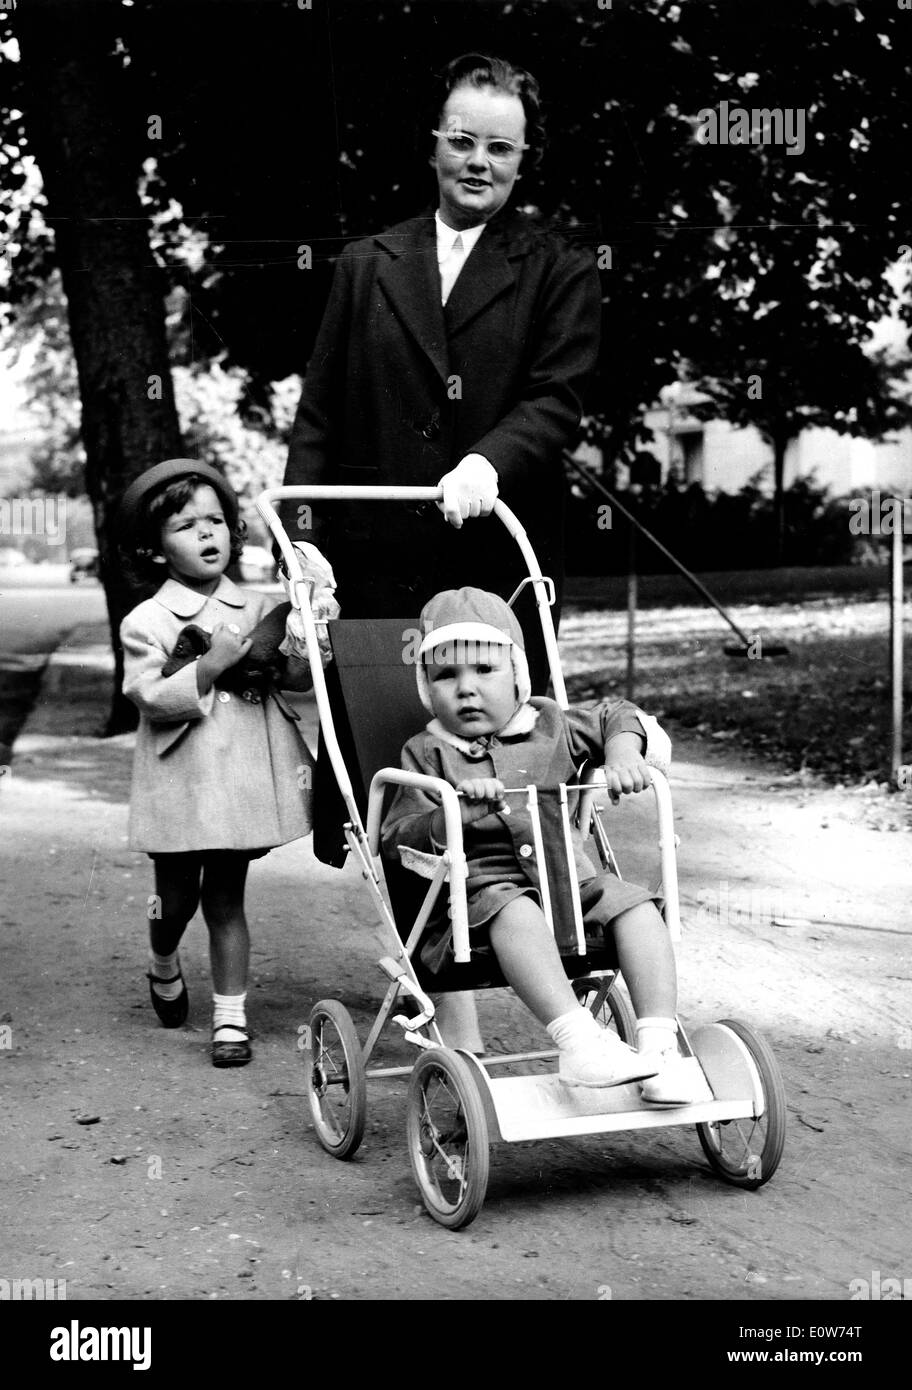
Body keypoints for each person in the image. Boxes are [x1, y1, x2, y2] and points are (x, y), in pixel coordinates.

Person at [282, 52, 602, 1050]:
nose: (478, 160)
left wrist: (490, 460)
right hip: (375, 558)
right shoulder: (366, 263)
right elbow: (322, 412)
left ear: (522, 161)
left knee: (514, 766)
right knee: (401, 770)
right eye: (462, 139)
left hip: (492, 565)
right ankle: (447, 1005)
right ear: (433, 145)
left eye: (498, 148)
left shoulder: (554, 265)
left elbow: (559, 396)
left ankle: (549, 953)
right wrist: (303, 541)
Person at [381, 588, 712, 1103]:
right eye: (446, 676)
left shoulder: (552, 724)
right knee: (513, 908)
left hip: (569, 883)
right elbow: (399, 834)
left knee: (638, 907)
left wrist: (624, 751)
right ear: (426, 686)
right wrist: (453, 817)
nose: (466, 690)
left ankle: (658, 1047)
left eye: (484, 671)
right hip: (477, 903)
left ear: (517, 673)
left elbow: (616, 714)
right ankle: (578, 1041)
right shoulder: (426, 752)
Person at [119, 459, 326, 1068]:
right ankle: (162, 959)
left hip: (238, 785)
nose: (207, 534)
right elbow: (148, 695)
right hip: (183, 782)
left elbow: (294, 681)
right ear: (156, 550)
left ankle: (230, 1018)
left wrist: (305, 628)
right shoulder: (148, 621)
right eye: (185, 526)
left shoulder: (262, 605)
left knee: (227, 899)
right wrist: (206, 668)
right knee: (176, 900)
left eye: (216, 520)